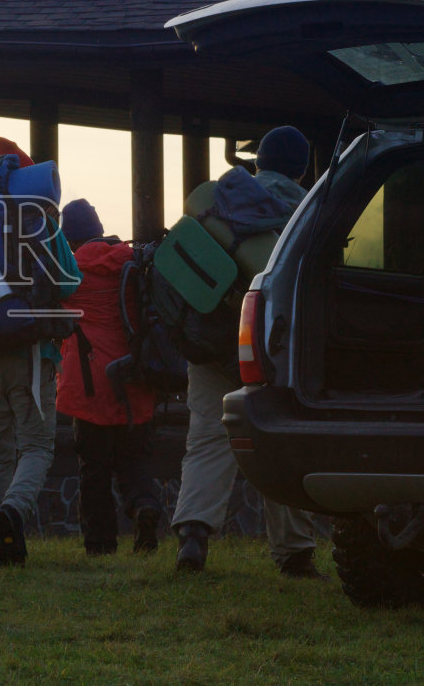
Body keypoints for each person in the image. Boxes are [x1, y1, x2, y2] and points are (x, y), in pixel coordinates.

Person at [171, 125, 325, 579]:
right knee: (279, 439)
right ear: (302, 168)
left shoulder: (221, 200)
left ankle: (193, 534)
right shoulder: (305, 206)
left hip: (207, 337)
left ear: (258, 162)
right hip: (267, 344)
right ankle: (294, 552)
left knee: (206, 439)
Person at [0, 137, 82, 567]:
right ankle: (13, 511)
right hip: (31, 354)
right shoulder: (40, 221)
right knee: (36, 445)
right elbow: (71, 282)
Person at [55, 199, 165, 556]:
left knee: (94, 469)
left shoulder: (70, 274)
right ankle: (144, 504)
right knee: (134, 458)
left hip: (91, 386)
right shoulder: (132, 264)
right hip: (135, 377)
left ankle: (100, 544)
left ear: (69, 239)